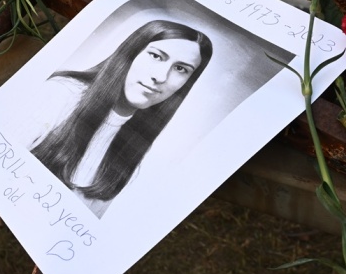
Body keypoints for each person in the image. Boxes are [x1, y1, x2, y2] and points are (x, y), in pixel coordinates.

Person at [29, 20, 213, 217]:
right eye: (156, 56)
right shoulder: (61, 92)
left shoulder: (148, 146)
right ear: (131, 53)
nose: (161, 77)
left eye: (181, 69)